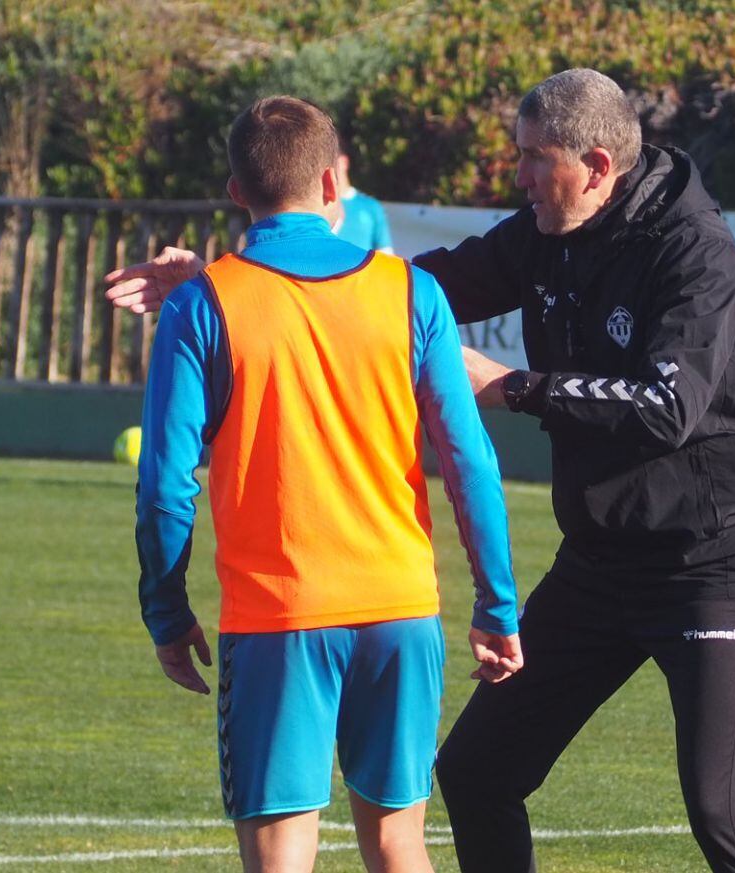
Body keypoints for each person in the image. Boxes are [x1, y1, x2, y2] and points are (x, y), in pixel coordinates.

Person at [108, 69, 735, 873]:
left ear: (598, 166)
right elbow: (409, 289)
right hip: (601, 560)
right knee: (477, 772)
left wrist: (514, 387)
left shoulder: (696, 253)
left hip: (708, 560)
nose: (521, 176)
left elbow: (666, 407)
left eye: (537, 158)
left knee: (720, 811)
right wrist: (238, 283)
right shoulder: (543, 228)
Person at [131, 95, 521, 873]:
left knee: (282, 853)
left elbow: (166, 484)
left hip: (280, 616)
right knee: (399, 844)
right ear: (334, 187)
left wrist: (166, 610)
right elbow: (469, 460)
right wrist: (497, 601)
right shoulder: (411, 291)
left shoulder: (204, 302)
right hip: (400, 609)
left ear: (236, 191)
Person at [332, 143, 394, 252]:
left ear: (344, 161)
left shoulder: (371, 207)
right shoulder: (316, 208)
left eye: (332, 160)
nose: (329, 167)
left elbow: (386, 255)